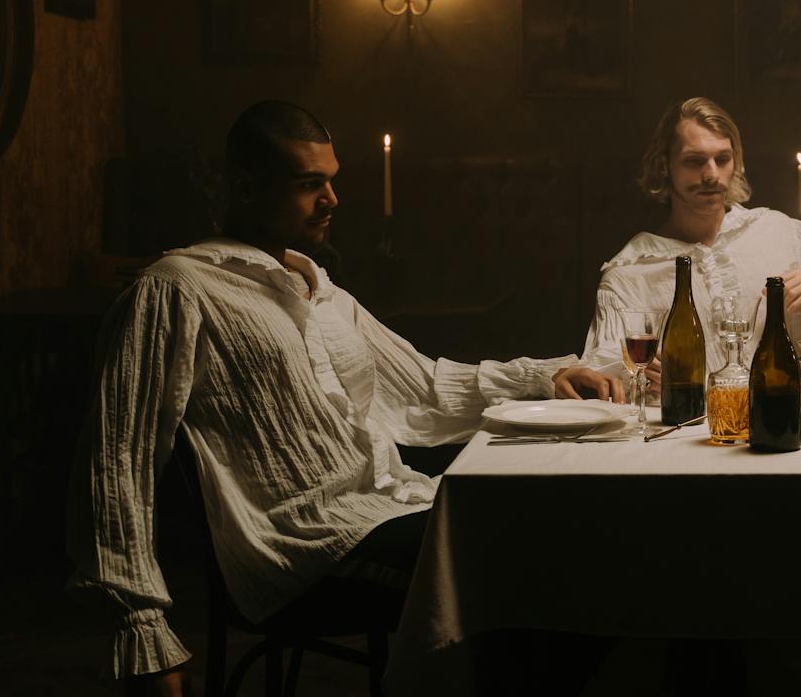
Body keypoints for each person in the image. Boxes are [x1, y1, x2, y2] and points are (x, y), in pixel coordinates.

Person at [66, 101, 619, 696]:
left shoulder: (318, 287)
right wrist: (141, 629)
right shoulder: (176, 289)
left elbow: (425, 386)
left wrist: (547, 376)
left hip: (389, 507)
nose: (332, 199)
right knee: (525, 571)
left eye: (331, 181)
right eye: (310, 185)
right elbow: (115, 463)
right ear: (246, 188)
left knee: (566, 538)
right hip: (304, 552)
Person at [582, 96, 801, 395]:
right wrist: (632, 373)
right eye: (694, 161)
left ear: (736, 162)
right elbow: (602, 373)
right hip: (690, 422)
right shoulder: (631, 273)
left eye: (722, 159)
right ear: (664, 165)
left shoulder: (784, 235)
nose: (711, 175)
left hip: (791, 415)